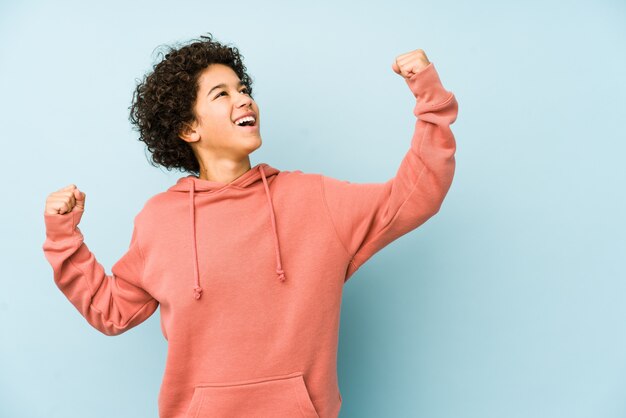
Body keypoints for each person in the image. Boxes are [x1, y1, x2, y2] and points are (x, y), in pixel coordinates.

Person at [42, 32, 458, 418]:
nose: (244, 100)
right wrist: (65, 239)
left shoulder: (314, 199)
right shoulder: (159, 221)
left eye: (244, 90)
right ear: (189, 128)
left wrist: (430, 101)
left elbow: (414, 195)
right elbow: (111, 311)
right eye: (222, 94)